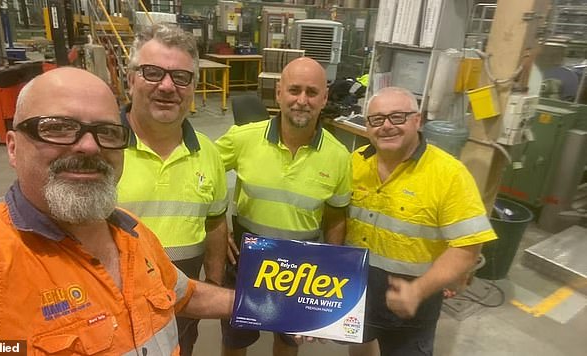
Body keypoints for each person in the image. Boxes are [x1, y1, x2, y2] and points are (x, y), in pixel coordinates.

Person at [0, 67, 234, 355]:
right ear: (12, 147)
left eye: (108, 132)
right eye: (58, 127)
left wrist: (269, 306)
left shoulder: (132, 231)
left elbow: (183, 296)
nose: (89, 146)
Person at [215, 57, 353, 356]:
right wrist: (216, 226)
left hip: (301, 268)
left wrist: (331, 264)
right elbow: (202, 174)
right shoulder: (243, 139)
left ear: (325, 98)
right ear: (279, 93)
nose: (302, 100)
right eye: (294, 90)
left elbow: (336, 214)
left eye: (312, 92)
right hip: (245, 260)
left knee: (288, 341)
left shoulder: (338, 156)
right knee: (236, 340)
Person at [345, 87, 498, 356]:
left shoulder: (449, 174)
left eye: (398, 117)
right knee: (359, 345)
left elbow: (468, 247)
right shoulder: (353, 163)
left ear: (418, 120)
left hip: (412, 305)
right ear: (368, 126)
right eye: (377, 120)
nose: (387, 126)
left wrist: (418, 291)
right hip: (357, 294)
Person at [117, 24, 229, 356]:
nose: (167, 86)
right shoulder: (99, 148)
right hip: (113, 313)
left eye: (181, 77)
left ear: (193, 87)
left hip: (182, 312)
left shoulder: (209, 153)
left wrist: (214, 285)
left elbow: (215, 223)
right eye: (152, 73)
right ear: (130, 78)